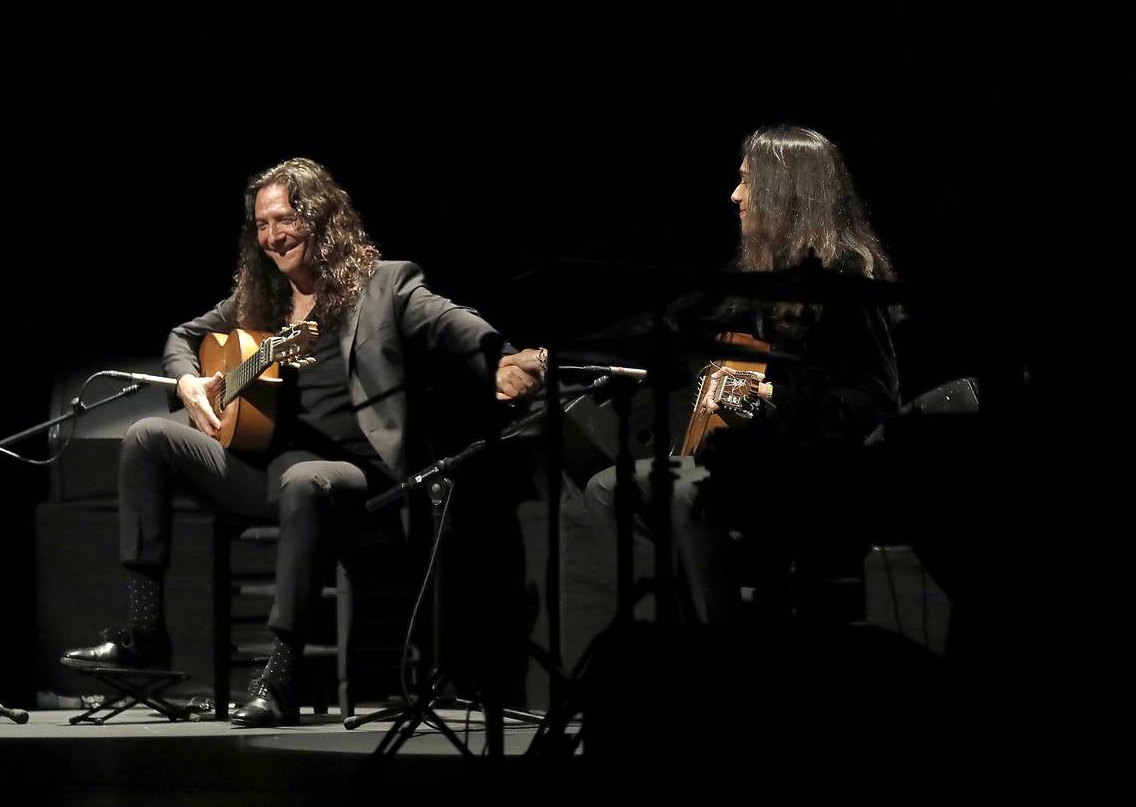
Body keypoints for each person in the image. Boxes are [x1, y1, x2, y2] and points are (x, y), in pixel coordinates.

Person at [63, 157, 546, 727]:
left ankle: (282, 675)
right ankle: (146, 632)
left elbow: (452, 322)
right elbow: (182, 337)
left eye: (285, 219)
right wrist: (189, 380)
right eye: (262, 225)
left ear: (320, 218)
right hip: (263, 475)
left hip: (359, 485)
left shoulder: (385, 285)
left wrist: (507, 356)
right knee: (146, 435)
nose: (272, 237)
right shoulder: (259, 300)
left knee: (304, 479)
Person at [582, 125, 899, 624]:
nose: (735, 195)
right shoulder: (755, 275)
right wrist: (549, 355)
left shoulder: (843, 276)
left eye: (747, 182)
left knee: (686, 487)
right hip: (755, 467)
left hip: (814, 479)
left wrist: (771, 399)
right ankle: (665, 629)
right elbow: (665, 324)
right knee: (611, 488)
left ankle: (721, 644)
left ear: (782, 189)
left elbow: (876, 395)